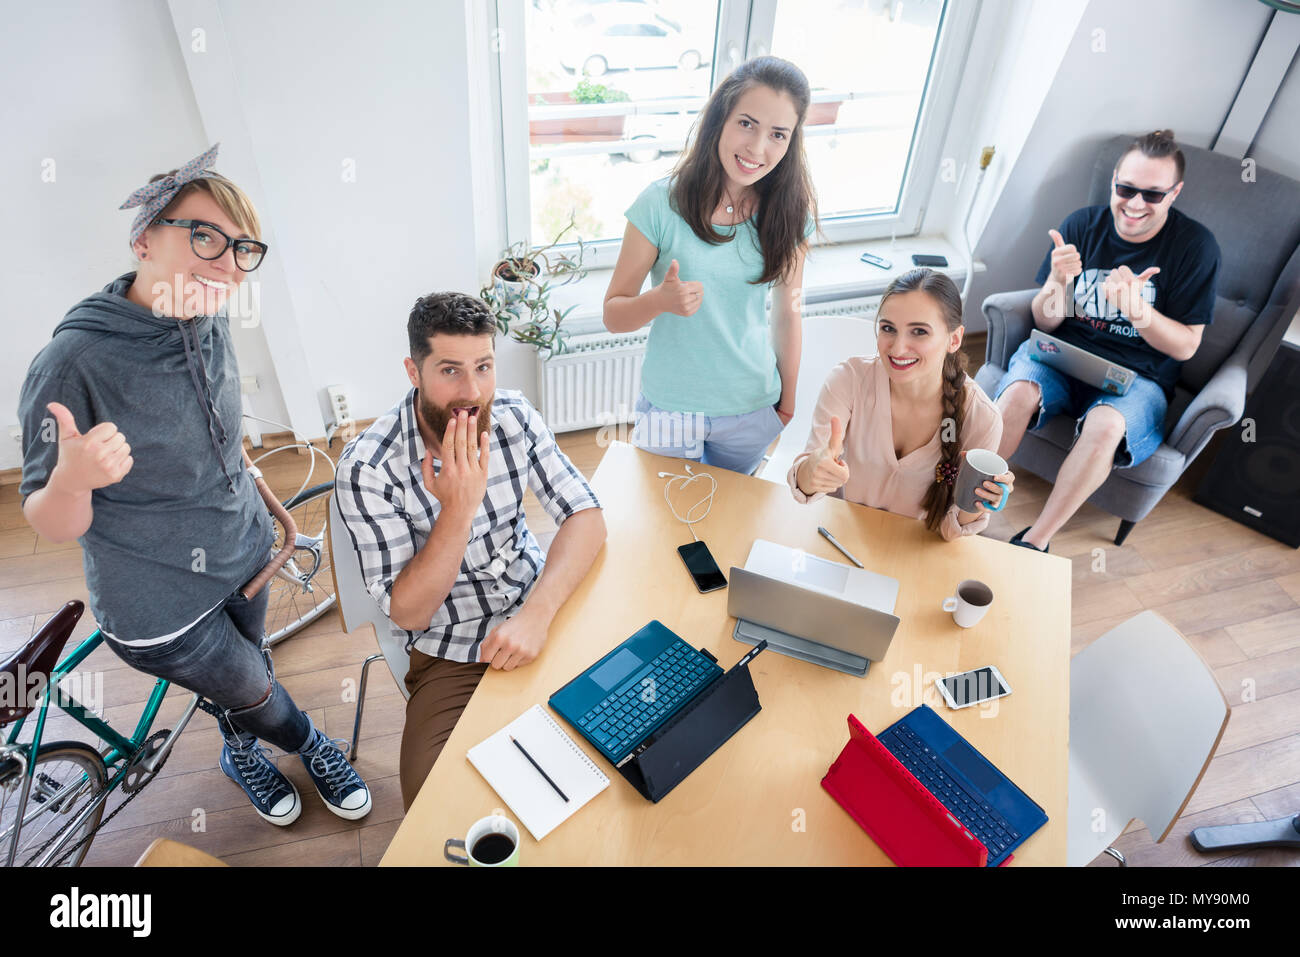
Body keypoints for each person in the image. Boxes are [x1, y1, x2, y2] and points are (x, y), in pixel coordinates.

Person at [18, 145, 370, 826]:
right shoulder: (71, 363)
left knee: (245, 673)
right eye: (204, 234)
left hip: (246, 550)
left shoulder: (207, 318)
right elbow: (48, 517)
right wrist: (71, 479)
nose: (227, 262)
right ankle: (310, 741)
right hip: (158, 606)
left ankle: (241, 754)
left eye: (242, 247)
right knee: (252, 683)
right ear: (144, 239)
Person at [335, 292, 606, 810]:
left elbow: (586, 516)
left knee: (618, 735)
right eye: (451, 371)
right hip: (451, 649)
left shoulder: (513, 415)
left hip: (539, 606)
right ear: (413, 372)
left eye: (483, 367)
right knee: (434, 804)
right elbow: (409, 611)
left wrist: (537, 613)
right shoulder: (368, 469)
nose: (473, 391)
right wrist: (458, 509)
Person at [994, 130, 1221, 552]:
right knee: (1017, 393)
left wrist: (1139, 312)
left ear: (1175, 193)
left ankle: (1035, 542)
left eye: (1153, 195)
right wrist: (1058, 283)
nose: (1135, 204)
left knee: (1106, 425)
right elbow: (1045, 321)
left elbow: (1187, 346)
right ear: (1114, 179)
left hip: (1138, 379)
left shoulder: (1195, 248)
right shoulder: (1082, 223)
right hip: (1061, 357)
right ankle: (967, 507)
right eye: (1126, 188)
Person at [603, 55, 818, 476]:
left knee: (730, 526)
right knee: (664, 521)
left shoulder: (789, 215)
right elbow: (614, 313)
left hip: (752, 405)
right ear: (719, 119)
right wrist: (659, 301)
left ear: (791, 141)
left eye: (778, 134)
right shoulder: (659, 204)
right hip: (671, 405)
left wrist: (787, 402)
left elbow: (788, 314)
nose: (758, 148)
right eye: (746, 123)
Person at [789, 269, 1013, 540]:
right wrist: (811, 473)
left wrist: (978, 501)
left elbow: (950, 532)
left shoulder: (981, 418)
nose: (897, 348)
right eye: (888, 329)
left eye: (919, 332)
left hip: (914, 548)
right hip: (838, 535)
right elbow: (805, 481)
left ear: (954, 339)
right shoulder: (848, 380)